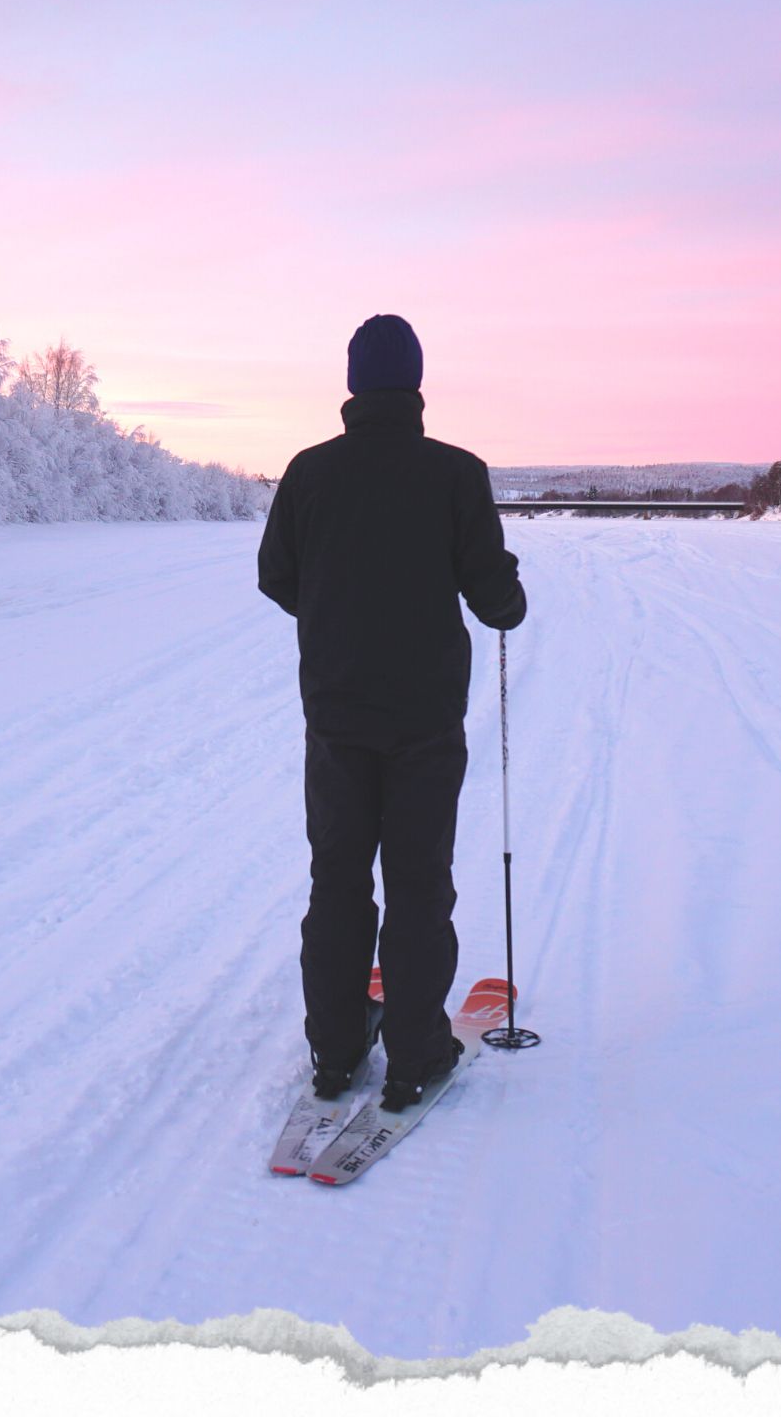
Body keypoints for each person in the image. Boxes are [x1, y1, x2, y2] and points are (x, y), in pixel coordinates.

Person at [256, 314, 526, 1112]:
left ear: (351, 384)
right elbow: (492, 595)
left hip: (336, 716)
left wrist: (336, 615)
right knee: (417, 882)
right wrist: (506, 596)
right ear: (413, 383)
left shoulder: (309, 473)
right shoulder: (455, 472)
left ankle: (335, 1052)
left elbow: (277, 577)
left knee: (336, 878)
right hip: (424, 719)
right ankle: (414, 1054)